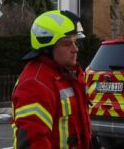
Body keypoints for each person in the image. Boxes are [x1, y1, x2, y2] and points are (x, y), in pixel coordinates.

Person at [11, 10, 92, 149]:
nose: (75, 49)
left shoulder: (67, 74)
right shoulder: (35, 83)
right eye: (67, 44)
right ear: (48, 47)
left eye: (75, 42)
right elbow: (34, 141)